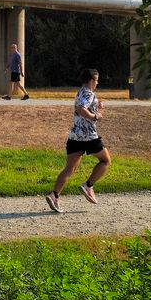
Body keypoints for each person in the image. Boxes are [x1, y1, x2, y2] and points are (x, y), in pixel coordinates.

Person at [46, 68, 110, 212]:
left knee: (70, 168)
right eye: (97, 80)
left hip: (75, 136)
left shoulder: (81, 92)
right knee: (105, 161)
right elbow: (81, 109)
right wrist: (95, 116)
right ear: (92, 80)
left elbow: (82, 107)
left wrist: (97, 108)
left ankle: (54, 195)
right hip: (89, 136)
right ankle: (88, 185)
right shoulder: (89, 93)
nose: (97, 83)